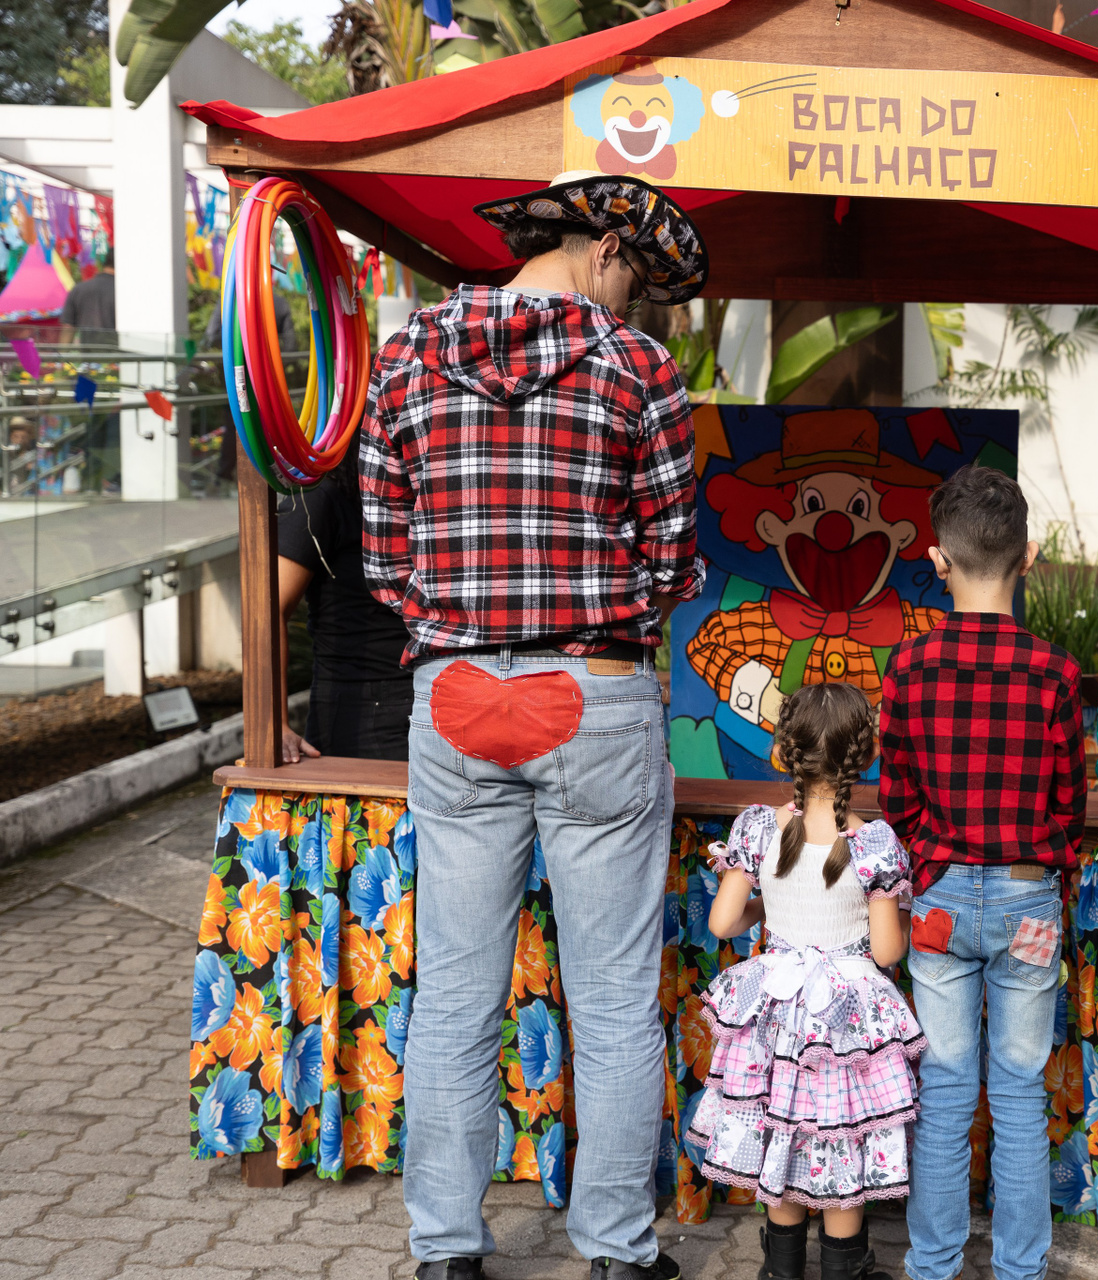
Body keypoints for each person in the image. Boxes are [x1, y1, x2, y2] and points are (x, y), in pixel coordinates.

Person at [360, 171, 708, 1280]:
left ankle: (446, 1250)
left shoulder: (405, 356)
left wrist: (463, 619)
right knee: (611, 999)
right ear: (604, 248)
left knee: (456, 994)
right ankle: (616, 1249)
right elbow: (671, 557)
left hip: (458, 694)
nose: (637, 301)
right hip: (593, 692)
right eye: (637, 277)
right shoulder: (637, 368)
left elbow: (383, 555)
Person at [877, 464, 1085, 1280]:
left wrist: (933, 855)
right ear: (1029, 557)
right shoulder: (1055, 672)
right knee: (1021, 1091)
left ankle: (932, 1266)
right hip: (1028, 898)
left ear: (937, 560)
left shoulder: (908, 667)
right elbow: (1069, 802)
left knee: (946, 1089)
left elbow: (897, 798)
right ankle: (1020, 1270)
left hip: (939, 899)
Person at [692, 682, 919, 1280]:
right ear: (865, 755)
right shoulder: (874, 843)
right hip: (846, 1018)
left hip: (776, 1008)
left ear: (783, 752)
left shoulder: (757, 829)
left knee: (782, 1132)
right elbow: (888, 951)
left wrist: (768, 909)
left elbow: (723, 923)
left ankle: (781, 1270)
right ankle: (845, 1269)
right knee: (838, 1139)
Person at [275, 467, 412, 763]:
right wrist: (273, 723)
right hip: (362, 709)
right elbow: (268, 610)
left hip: (434, 696)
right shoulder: (324, 496)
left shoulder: (420, 490)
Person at [59, 252, 114, 341]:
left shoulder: (78, 289)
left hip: (87, 348)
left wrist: (62, 350)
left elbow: (68, 328)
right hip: (120, 349)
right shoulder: (125, 292)